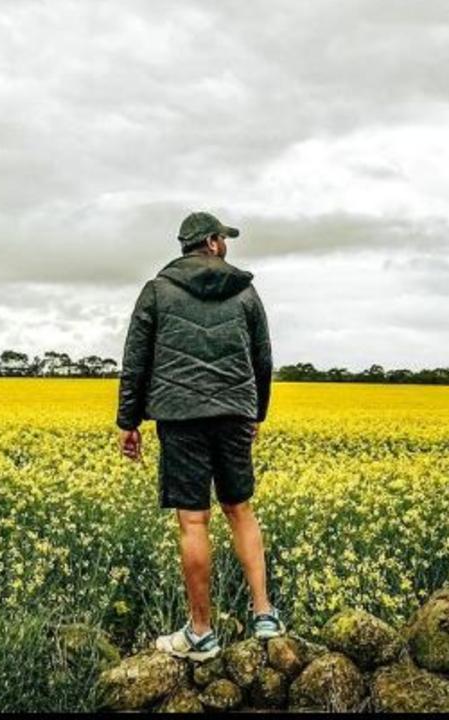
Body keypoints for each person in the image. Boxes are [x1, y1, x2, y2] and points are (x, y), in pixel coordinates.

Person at [115, 210, 283, 661]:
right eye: (223, 238)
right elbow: (263, 360)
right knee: (240, 509)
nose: (226, 244)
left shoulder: (156, 291)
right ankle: (264, 614)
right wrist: (255, 414)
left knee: (194, 521)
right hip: (234, 412)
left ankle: (201, 633)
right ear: (210, 242)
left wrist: (128, 421)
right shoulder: (245, 292)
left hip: (179, 415)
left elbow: (136, 361)